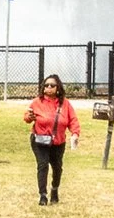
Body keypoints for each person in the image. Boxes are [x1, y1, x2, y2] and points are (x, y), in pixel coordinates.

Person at [25, 72, 78, 206]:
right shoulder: (37, 102)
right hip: (40, 140)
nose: (49, 87)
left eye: (52, 85)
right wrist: (29, 117)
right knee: (42, 165)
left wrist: (75, 133)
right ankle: (43, 195)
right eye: (46, 85)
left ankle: (54, 189)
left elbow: (73, 120)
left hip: (58, 142)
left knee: (57, 167)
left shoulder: (65, 104)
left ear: (58, 88)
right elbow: (27, 116)